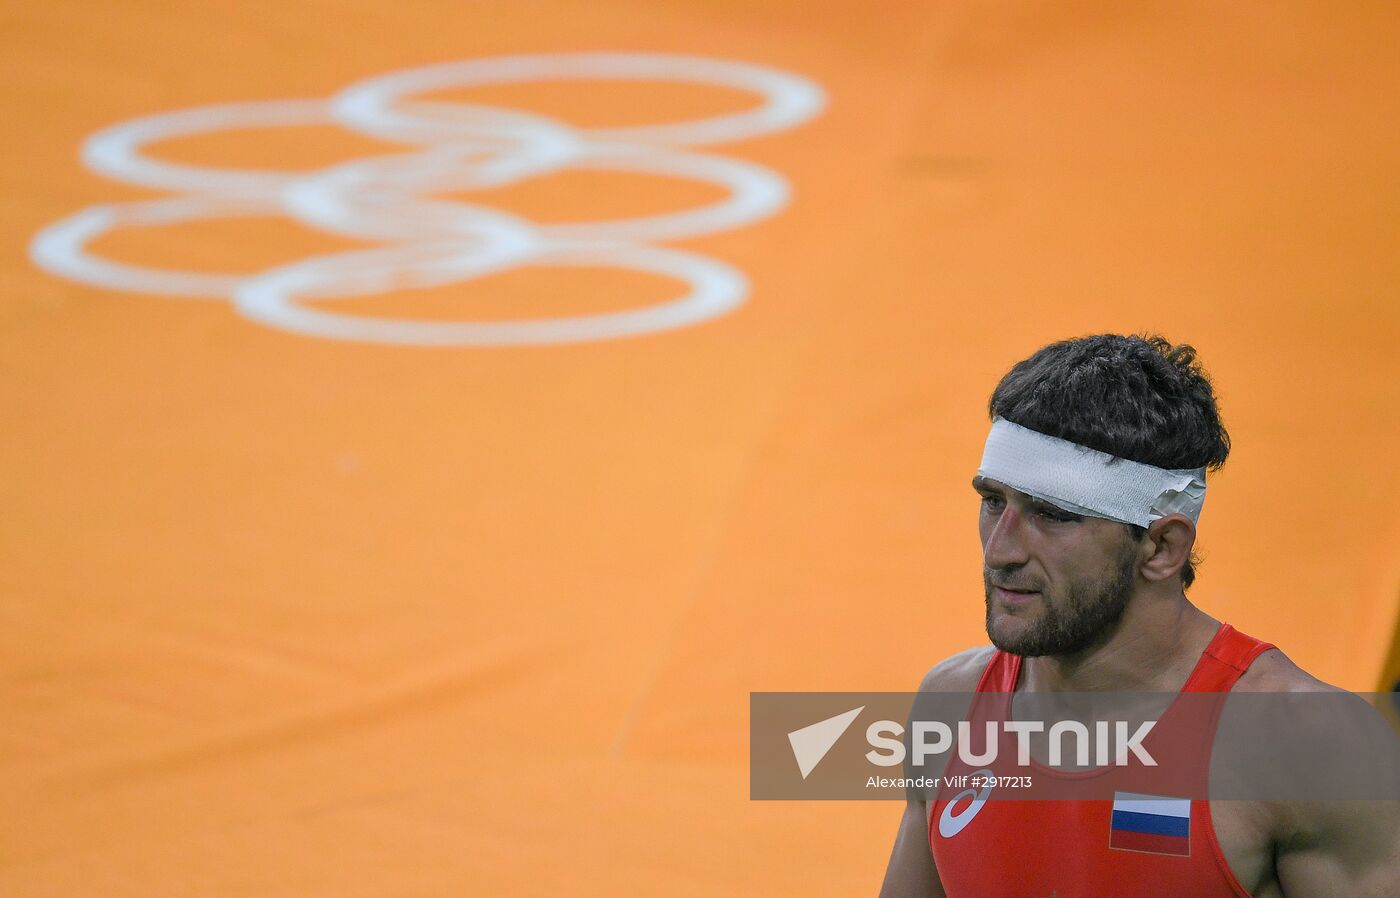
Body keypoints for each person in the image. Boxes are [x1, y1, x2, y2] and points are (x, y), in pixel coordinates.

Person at [878, 334, 1400, 897]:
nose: (1001, 551)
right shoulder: (951, 704)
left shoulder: (1305, 744)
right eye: (993, 502)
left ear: (1160, 548)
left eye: (1052, 516)